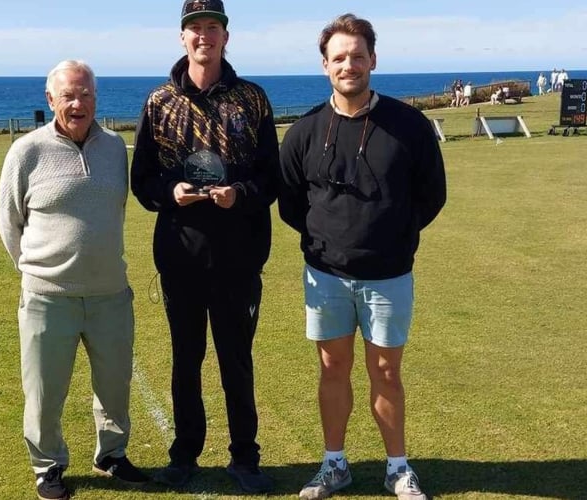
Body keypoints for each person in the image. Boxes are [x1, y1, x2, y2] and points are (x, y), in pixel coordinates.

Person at [277, 13, 446, 500]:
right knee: (332, 369)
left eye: (357, 56)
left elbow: (431, 195)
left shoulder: (409, 126)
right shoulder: (305, 130)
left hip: (389, 276)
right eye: (338, 58)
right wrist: (326, 242)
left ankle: (398, 468)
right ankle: (335, 464)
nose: (348, 65)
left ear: (372, 59)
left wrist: (393, 237)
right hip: (325, 276)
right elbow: (290, 202)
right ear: (324, 66)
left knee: (387, 372)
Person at [131, 0, 280, 494]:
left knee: (237, 361)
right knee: (185, 359)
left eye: (212, 27)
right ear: (181, 37)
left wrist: (240, 196)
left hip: (239, 258)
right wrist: (168, 193)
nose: (203, 36)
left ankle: (245, 458)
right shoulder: (158, 103)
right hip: (181, 258)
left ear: (225, 36)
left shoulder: (252, 99)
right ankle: (184, 455)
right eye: (194, 28)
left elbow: (270, 178)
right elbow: (143, 180)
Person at [0, 59, 149, 500]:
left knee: (115, 385)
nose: (77, 103)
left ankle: (111, 455)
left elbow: (116, 209)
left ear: (96, 99)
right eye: (68, 95)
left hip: (110, 295)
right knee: (44, 392)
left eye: (85, 94)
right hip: (48, 298)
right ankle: (48, 466)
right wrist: (38, 271)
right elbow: (9, 222)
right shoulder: (27, 151)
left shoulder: (115, 148)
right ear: (50, 100)